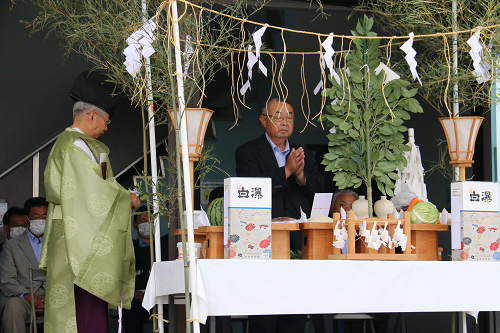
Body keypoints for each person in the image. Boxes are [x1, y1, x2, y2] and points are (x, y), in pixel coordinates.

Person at [41, 71, 141, 333]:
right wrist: (125, 197)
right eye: (106, 120)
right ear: (92, 115)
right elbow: (89, 191)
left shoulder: (76, 144)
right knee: (81, 306)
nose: (106, 128)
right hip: (76, 238)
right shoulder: (74, 146)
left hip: (76, 230)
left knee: (85, 305)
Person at [235, 97, 325, 333]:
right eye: (278, 116)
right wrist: (286, 171)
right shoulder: (246, 152)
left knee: (294, 313)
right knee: (264, 315)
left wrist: (301, 175)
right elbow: (249, 190)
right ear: (264, 120)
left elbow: (319, 190)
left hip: (297, 243)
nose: (285, 121)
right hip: (262, 240)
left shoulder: (304, 153)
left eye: (290, 116)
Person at [0, 197, 48, 333]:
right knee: (13, 307)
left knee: (74, 303)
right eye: (36, 217)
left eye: (44, 217)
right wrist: (29, 297)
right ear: (27, 219)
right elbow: (6, 279)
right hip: (22, 296)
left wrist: (50, 298)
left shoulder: (58, 243)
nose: (41, 221)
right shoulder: (11, 246)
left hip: (52, 295)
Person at [123, 206, 168, 333]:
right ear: (135, 225)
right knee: (130, 309)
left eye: (150, 220)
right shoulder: (129, 248)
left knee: (174, 311)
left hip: (162, 295)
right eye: (142, 220)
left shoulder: (164, 244)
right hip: (138, 296)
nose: (147, 223)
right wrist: (133, 292)